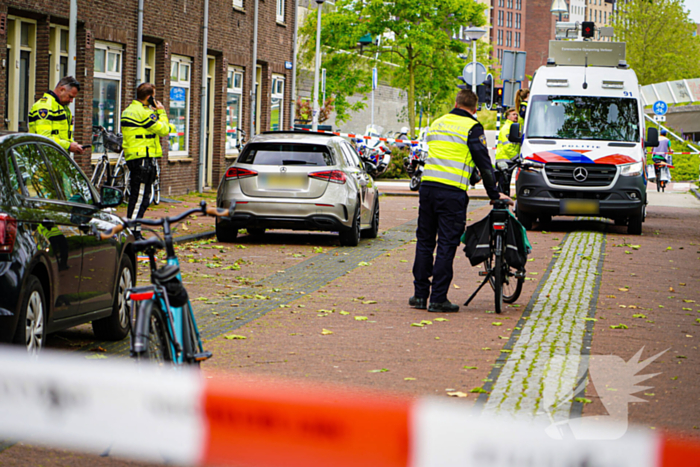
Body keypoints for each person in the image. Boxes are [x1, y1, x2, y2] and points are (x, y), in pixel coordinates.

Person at [410, 90, 512, 313]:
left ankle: (419, 296)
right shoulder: (472, 128)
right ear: (475, 109)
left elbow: (446, 155)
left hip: (427, 188)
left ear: (455, 103)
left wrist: (470, 173)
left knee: (425, 242)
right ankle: (437, 299)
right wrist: (494, 194)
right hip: (452, 193)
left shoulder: (437, 123)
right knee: (446, 244)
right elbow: (484, 164)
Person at [121, 83, 170, 239]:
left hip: (136, 156)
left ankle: (135, 231)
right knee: (140, 196)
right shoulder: (142, 113)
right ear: (149, 97)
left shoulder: (130, 110)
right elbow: (164, 129)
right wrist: (161, 112)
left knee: (144, 196)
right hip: (142, 157)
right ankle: (132, 234)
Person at [28, 76, 85, 155]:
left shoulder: (64, 108)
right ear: (62, 89)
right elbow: (43, 138)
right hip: (43, 159)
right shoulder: (44, 107)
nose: (71, 101)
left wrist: (74, 146)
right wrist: (68, 145)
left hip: (57, 160)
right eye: (70, 96)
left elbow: (63, 136)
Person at [495, 108, 520, 194]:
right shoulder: (506, 128)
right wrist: (516, 157)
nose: (516, 116)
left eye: (516, 114)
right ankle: (500, 205)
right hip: (505, 160)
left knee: (505, 184)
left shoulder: (513, 127)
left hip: (508, 159)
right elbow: (507, 146)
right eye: (513, 114)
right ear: (508, 117)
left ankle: (502, 204)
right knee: (503, 185)